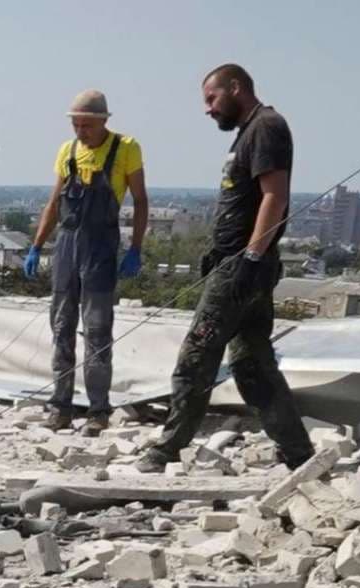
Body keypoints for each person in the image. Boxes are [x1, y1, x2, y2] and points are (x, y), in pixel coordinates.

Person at [134, 64, 313, 473]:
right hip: (242, 266)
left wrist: (250, 257)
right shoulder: (249, 131)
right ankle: (298, 453)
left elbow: (275, 197)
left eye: (212, 98)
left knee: (197, 357)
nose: (208, 109)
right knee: (253, 365)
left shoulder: (267, 127)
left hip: (242, 268)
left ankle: (167, 449)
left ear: (236, 88)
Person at [22, 89, 148, 436]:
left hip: (100, 245)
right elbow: (53, 202)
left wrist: (135, 247)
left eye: (87, 125)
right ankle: (60, 405)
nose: (81, 131)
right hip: (66, 244)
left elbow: (140, 201)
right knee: (61, 326)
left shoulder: (125, 148)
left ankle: (97, 409)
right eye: (76, 125)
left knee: (96, 331)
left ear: (104, 121)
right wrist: (37, 245)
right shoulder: (68, 151)